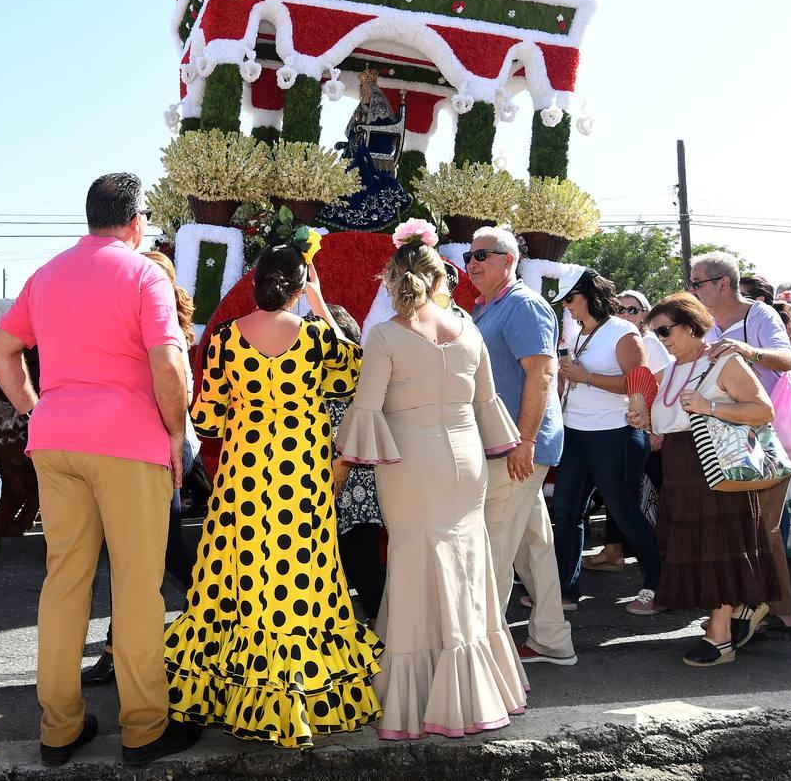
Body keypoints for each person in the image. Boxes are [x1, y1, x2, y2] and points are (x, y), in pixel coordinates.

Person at [0, 173, 201, 766]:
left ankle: (59, 730)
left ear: (89, 217)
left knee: (64, 583)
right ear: (136, 223)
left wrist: (36, 408)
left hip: (56, 441)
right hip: (129, 445)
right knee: (136, 588)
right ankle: (144, 728)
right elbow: (168, 364)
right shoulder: (144, 273)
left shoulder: (48, 273)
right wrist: (176, 435)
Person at [168, 240, 381, 748]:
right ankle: (298, 698)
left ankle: (236, 692)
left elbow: (209, 420)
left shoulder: (223, 338)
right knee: (300, 580)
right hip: (301, 479)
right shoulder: (315, 337)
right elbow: (356, 370)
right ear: (300, 284)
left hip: (244, 479)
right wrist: (322, 303)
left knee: (236, 578)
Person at [338, 219, 526, 740]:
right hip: (467, 460)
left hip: (409, 463)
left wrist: (337, 470)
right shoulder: (467, 327)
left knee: (414, 560)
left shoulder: (385, 336)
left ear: (393, 279)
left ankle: (419, 695)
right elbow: (488, 402)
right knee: (466, 560)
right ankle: (478, 685)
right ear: (442, 277)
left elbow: (367, 409)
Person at [636, 293, 779, 665]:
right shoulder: (668, 371)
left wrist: (709, 406)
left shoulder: (722, 362)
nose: (660, 337)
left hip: (714, 465)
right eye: (655, 331)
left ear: (691, 326)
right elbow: (671, 422)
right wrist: (646, 421)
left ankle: (721, 638)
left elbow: (764, 410)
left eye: (665, 329)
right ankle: (737, 611)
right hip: (681, 466)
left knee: (716, 547)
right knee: (697, 547)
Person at [82, 249, 198, 687]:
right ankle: (120, 650)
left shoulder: (167, 336)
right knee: (144, 553)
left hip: (163, 449)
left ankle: (215, 612)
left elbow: (178, 399)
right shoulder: (149, 329)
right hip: (141, 450)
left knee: (157, 553)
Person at [464, 227, 575, 667]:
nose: (472, 263)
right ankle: (551, 639)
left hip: (515, 448)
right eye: (470, 256)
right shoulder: (485, 307)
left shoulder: (525, 305)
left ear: (508, 260)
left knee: (494, 548)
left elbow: (542, 375)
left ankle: (484, 656)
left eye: (482, 255)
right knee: (534, 547)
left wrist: (523, 442)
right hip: (505, 445)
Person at [689, 252, 791, 635]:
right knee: (742, 529)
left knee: (764, 527)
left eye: (696, 283)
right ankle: (743, 608)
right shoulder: (703, 322)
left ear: (722, 283)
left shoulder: (760, 315)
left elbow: (786, 359)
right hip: (721, 436)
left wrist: (746, 351)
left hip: (763, 436)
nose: (692, 290)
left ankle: (779, 612)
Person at [550, 268, 662, 614]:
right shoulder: (579, 332)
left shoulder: (623, 331)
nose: (566, 306)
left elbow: (638, 383)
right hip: (576, 432)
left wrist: (586, 376)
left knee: (624, 511)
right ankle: (566, 592)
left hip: (615, 433)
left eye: (569, 298)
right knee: (567, 512)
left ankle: (659, 584)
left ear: (588, 295)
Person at [584, 289, 674, 573]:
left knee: (662, 490)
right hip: (625, 426)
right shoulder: (614, 341)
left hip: (650, 429)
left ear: (644, 314)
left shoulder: (649, 342)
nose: (624, 314)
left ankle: (672, 560)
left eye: (632, 310)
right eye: (619, 309)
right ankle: (614, 551)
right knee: (620, 490)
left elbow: (660, 386)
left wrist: (654, 429)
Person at [326, 305, 385, 623]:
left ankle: (386, 631)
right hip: (333, 482)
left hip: (356, 482)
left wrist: (342, 467)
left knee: (362, 561)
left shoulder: (361, 376)